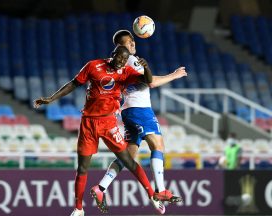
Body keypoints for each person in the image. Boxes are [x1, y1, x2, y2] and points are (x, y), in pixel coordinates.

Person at [34, 46, 171, 216]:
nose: (121, 62)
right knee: (83, 168)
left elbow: (147, 81)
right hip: (88, 123)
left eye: (124, 59)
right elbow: (73, 84)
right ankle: (78, 209)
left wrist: (147, 67)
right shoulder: (93, 66)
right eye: (119, 58)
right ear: (112, 56)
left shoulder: (126, 72)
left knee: (128, 160)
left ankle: (152, 195)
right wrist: (50, 98)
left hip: (109, 123)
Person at [92, 30, 187, 214]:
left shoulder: (119, 62)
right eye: (128, 42)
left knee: (128, 155)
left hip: (129, 111)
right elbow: (150, 82)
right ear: (120, 46)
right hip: (140, 110)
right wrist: (174, 75)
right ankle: (160, 191)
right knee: (157, 144)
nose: (133, 44)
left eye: (133, 40)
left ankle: (101, 188)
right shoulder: (131, 60)